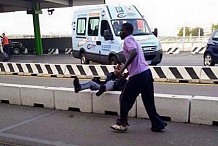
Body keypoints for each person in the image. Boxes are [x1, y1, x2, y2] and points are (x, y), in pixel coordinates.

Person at [110, 23, 167, 132]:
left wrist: (122, 69)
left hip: (138, 75)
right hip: (146, 72)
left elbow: (134, 52)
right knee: (148, 100)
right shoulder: (134, 40)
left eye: (122, 30)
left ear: (127, 31)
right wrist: (127, 72)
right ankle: (157, 123)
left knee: (124, 98)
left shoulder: (127, 40)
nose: (120, 32)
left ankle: (122, 123)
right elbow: (136, 58)